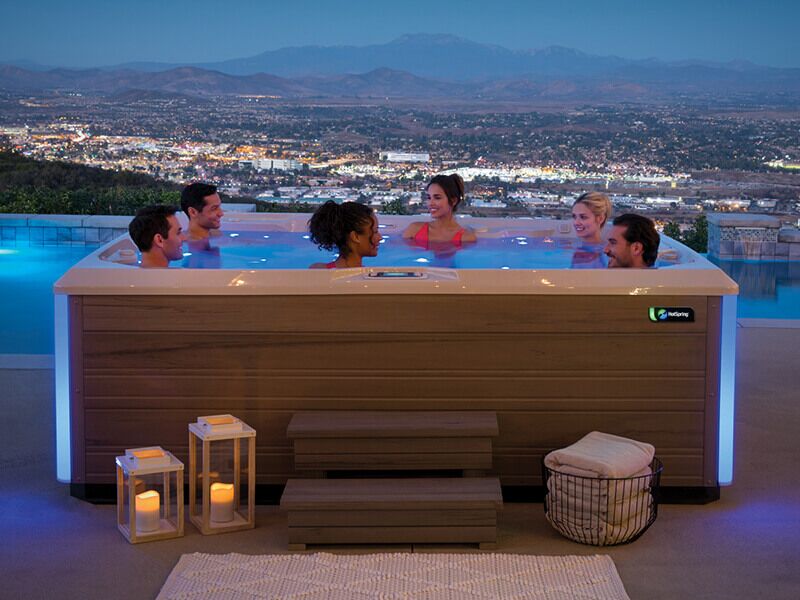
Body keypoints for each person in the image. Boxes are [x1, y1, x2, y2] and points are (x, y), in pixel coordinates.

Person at [402, 174, 477, 246]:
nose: (430, 203)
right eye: (429, 198)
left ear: (453, 201)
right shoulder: (414, 230)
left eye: (437, 198)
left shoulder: (466, 238)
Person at [308, 201, 382, 268]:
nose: (380, 237)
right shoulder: (368, 278)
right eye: (375, 231)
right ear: (355, 237)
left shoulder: (319, 270)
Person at [570, 192, 612, 268]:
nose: (576, 222)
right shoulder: (576, 250)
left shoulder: (608, 253)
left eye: (583, 217)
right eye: (574, 217)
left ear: (600, 218)